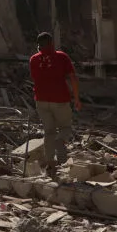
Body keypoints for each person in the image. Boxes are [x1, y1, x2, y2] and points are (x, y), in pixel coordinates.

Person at [29, 32, 81, 177]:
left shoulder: (33, 59)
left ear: (38, 45)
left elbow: (35, 78)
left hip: (41, 101)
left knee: (49, 132)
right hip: (60, 100)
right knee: (65, 128)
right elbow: (73, 78)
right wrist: (76, 98)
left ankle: (51, 163)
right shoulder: (61, 57)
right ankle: (60, 141)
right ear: (52, 43)